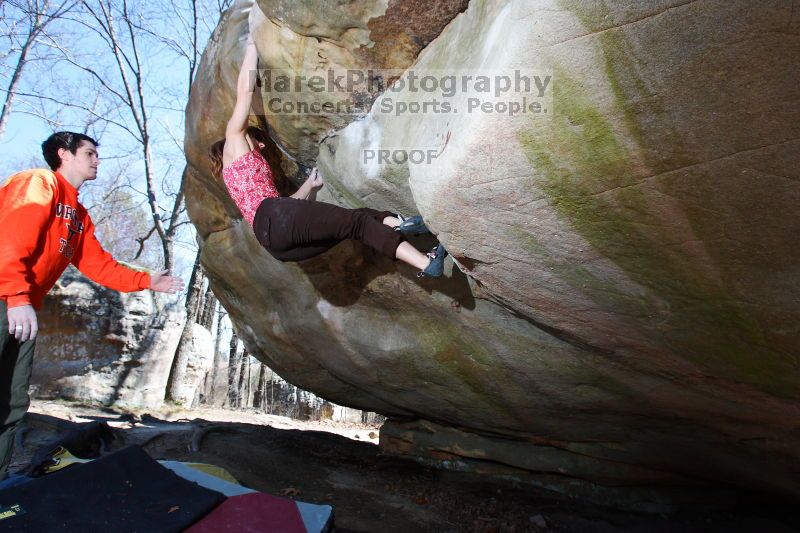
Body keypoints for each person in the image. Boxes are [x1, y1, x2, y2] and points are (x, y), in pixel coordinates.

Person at [0, 131, 185, 480]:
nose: (97, 160)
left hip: (21, 310)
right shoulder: (39, 183)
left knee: (11, 405)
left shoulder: (78, 216)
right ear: (63, 154)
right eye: (89, 153)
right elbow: (9, 238)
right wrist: (18, 297)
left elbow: (100, 265)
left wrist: (148, 281)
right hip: (8, 300)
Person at [209, 33, 447, 276]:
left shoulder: (247, 189)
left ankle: (400, 224)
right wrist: (252, 45)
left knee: (358, 220)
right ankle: (427, 263)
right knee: (358, 224)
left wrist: (310, 186)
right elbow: (244, 93)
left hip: (275, 245)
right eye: (257, 139)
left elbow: (284, 210)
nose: (261, 146)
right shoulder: (234, 139)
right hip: (274, 219)